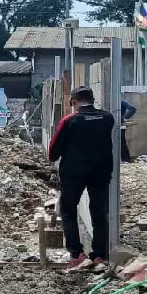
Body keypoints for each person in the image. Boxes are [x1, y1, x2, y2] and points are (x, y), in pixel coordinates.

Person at [47, 86, 115, 272]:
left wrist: (56, 157)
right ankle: (99, 255)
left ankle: (77, 255)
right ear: (93, 100)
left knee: (68, 211)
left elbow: (53, 151)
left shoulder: (70, 121)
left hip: (73, 173)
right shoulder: (108, 118)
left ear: (74, 102)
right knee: (99, 212)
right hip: (101, 172)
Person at [120, 98, 136, 162]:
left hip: (116, 124)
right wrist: (124, 118)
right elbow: (132, 109)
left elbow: (133, 109)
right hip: (120, 124)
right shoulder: (121, 101)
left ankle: (125, 159)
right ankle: (126, 159)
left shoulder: (120, 101)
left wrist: (124, 118)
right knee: (122, 142)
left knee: (121, 143)